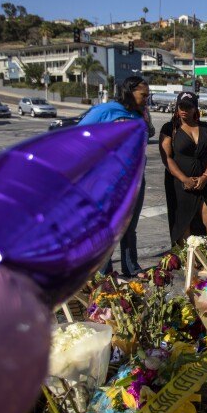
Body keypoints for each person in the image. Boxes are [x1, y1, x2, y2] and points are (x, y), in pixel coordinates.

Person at [78, 76, 150, 277]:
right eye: (143, 95)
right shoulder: (106, 110)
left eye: (148, 96)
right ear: (129, 91)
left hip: (135, 178)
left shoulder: (140, 113)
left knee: (129, 225)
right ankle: (103, 270)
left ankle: (131, 267)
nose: (146, 99)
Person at [159, 91, 207, 246]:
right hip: (179, 183)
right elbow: (166, 158)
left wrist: (205, 177)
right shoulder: (169, 128)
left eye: (188, 106)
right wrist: (184, 179)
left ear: (195, 108)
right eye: (181, 106)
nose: (184, 110)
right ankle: (189, 262)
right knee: (183, 223)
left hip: (204, 181)